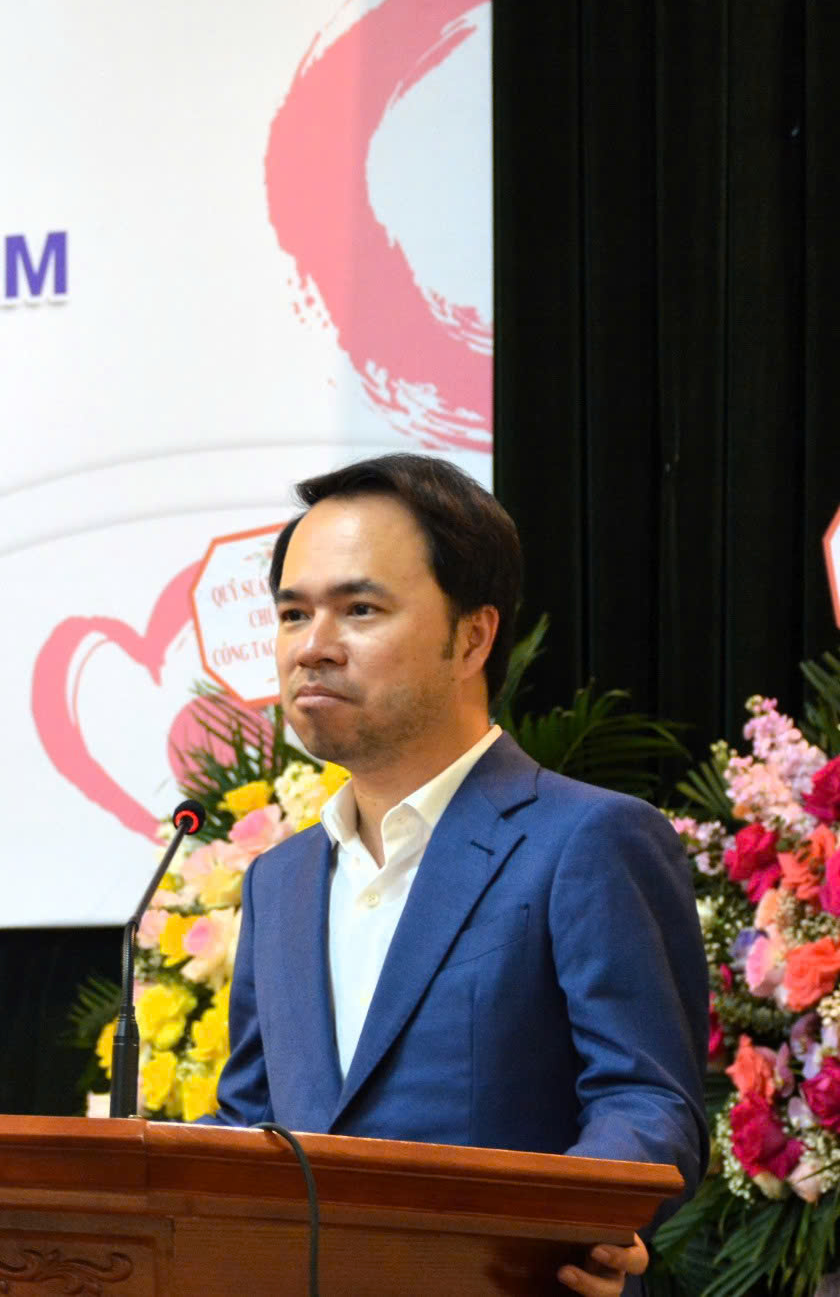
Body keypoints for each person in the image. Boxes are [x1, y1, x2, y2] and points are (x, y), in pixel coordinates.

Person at [210, 455, 707, 1297]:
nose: (312, 647)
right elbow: (250, 1122)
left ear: (472, 637)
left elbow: (648, 1100)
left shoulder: (585, 839)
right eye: (293, 613)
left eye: (359, 609)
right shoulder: (278, 881)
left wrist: (573, 1218)